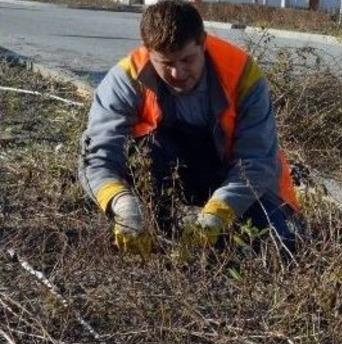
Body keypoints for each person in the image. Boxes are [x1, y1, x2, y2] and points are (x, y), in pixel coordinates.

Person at [79, 0, 301, 259]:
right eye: (165, 63)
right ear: (148, 51)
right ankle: (160, 221)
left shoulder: (243, 75)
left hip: (233, 176)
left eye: (187, 59)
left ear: (203, 42)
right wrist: (124, 205)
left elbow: (257, 161)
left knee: (277, 247)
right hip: (164, 170)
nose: (178, 72)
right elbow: (97, 156)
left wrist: (218, 213)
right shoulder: (125, 78)